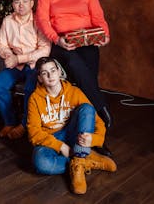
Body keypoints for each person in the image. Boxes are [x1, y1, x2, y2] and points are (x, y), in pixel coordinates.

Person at [36, 0, 113, 156]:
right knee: (73, 62)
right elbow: (43, 21)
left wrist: (105, 34)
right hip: (61, 42)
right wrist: (57, 39)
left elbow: (98, 17)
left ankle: (95, 136)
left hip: (86, 40)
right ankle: (102, 111)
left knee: (88, 76)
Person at [27, 57, 117, 195]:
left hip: (73, 132)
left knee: (87, 108)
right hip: (51, 138)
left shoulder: (74, 91)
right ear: (39, 78)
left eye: (53, 70)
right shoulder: (35, 98)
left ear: (59, 71)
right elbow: (33, 133)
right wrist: (60, 146)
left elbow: (97, 120)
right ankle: (85, 160)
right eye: (45, 73)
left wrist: (95, 140)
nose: (50, 76)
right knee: (41, 163)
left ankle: (78, 162)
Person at [0, 0, 51, 139]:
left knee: (31, 88)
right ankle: (10, 121)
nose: (21, 5)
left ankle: (24, 124)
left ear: (31, 4)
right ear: (13, 5)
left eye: (24, 1)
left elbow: (45, 49)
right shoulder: (7, 20)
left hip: (33, 65)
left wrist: (19, 58)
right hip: (14, 65)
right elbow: (0, 44)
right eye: (16, 2)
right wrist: (9, 55)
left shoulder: (39, 21)